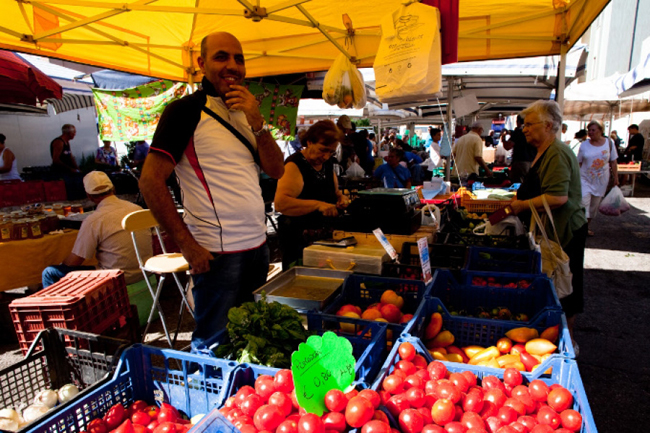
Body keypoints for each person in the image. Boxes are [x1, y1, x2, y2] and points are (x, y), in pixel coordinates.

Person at [138, 32, 285, 351]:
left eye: (239, 58)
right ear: (201, 63)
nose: (233, 65)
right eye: (222, 57)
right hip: (217, 254)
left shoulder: (247, 111)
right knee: (215, 344)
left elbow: (276, 170)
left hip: (258, 247)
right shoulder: (185, 111)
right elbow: (150, 181)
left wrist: (258, 121)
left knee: (252, 341)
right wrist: (186, 245)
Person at [507, 100, 587, 347]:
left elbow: (558, 197)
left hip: (565, 232)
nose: (524, 129)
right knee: (559, 282)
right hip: (552, 232)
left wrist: (522, 205)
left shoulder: (557, 153)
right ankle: (558, 335)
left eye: (530, 124)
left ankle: (568, 341)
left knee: (566, 283)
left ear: (549, 125)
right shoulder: (544, 151)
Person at [42, 171, 152, 287]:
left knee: (49, 273)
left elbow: (73, 262)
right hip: (146, 271)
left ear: (89, 196)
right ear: (113, 189)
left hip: (117, 277)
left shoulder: (94, 220)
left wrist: (61, 266)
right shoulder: (137, 208)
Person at [274, 120, 349, 270]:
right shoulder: (294, 165)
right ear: (309, 142)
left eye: (331, 152)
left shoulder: (327, 164)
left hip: (323, 239)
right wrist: (317, 205)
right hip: (299, 240)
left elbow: (334, 191)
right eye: (323, 149)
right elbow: (281, 203)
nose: (326, 156)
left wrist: (341, 198)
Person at [577, 120, 618, 236]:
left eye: (593, 130)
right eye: (589, 130)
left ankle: (586, 226)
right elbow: (578, 162)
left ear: (600, 130)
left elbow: (613, 162)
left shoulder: (609, 143)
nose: (590, 132)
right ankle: (581, 229)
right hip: (584, 179)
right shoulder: (584, 145)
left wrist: (616, 177)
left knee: (593, 207)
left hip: (601, 181)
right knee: (584, 204)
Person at [504, 115, 536, 182]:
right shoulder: (533, 131)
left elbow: (508, 147)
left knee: (518, 184)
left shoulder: (518, 132)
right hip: (533, 162)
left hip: (520, 163)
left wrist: (503, 139)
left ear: (518, 122)